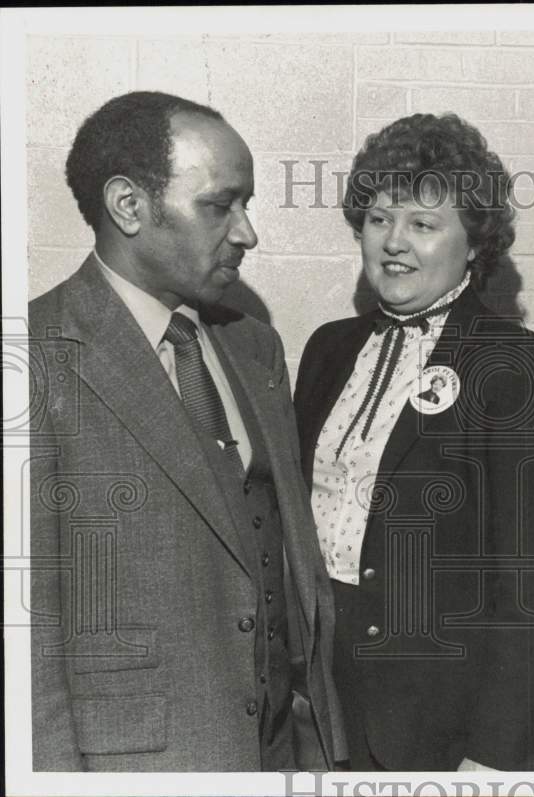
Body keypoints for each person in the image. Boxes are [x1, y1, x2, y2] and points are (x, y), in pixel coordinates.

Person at [29, 91, 343, 771]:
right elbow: (26, 633)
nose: (247, 232)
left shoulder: (255, 347)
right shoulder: (35, 355)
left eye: (248, 204)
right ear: (129, 206)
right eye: (219, 205)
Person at [293, 113, 534, 771]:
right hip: (318, 705)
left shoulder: (516, 365)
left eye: (423, 224)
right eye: (380, 218)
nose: (394, 242)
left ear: (475, 244)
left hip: (438, 721)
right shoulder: (328, 348)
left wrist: (498, 752)